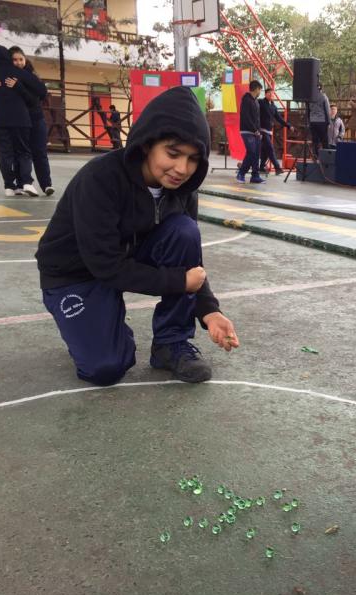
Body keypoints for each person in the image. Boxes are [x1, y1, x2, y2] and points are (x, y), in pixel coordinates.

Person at [35, 86, 239, 386]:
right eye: (173, 153)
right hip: (75, 274)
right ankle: (99, 325)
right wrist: (178, 282)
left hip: (128, 258)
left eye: (193, 159)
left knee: (184, 231)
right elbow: (105, 264)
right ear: (147, 144)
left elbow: (190, 262)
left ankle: (171, 343)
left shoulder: (183, 190)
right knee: (106, 367)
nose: (182, 168)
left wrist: (209, 311)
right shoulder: (100, 178)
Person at [0, 44, 44, 197]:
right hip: (20, 118)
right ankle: (26, 182)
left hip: (0, 119)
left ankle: (9, 186)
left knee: (5, 153)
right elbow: (41, 90)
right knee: (23, 151)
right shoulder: (16, 72)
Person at [9, 47, 54, 196]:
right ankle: (21, 184)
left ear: (25, 59)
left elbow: (39, 95)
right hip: (19, 120)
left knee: (40, 152)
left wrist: (21, 88)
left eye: (21, 59)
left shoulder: (32, 76)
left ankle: (46, 185)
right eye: (14, 60)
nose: (18, 62)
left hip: (36, 118)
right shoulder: (8, 77)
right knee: (21, 152)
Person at [258, 87, 293, 175]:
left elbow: (279, 118)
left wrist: (288, 126)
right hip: (262, 130)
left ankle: (261, 167)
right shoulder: (261, 102)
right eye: (269, 93)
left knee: (265, 151)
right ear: (265, 94)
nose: (271, 95)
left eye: (272, 93)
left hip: (269, 131)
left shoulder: (273, 106)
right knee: (270, 148)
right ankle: (277, 168)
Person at [236, 80, 265, 184]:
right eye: (260, 90)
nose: (260, 92)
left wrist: (259, 131)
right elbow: (246, 117)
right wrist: (255, 130)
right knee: (251, 152)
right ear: (256, 89)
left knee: (256, 154)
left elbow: (257, 119)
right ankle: (241, 173)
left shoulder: (256, 101)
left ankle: (255, 176)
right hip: (247, 131)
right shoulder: (246, 100)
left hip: (256, 132)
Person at [306, 83, 331, 158]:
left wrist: (309, 121)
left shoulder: (310, 97)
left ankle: (315, 155)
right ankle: (327, 157)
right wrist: (329, 121)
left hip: (313, 121)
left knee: (315, 140)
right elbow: (327, 110)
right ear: (321, 88)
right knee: (324, 140)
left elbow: (308, 110)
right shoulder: (324, 96)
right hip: (322, 121)